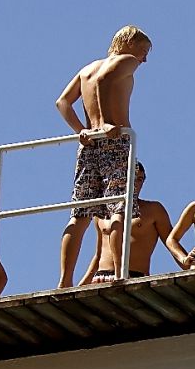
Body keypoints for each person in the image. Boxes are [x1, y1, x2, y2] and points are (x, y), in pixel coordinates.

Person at [54, 25, 153, 288]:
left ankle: (65, 280)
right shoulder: (126, 60)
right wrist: (107, 123)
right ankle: (120, 273)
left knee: (80, 214)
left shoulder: (87, 68)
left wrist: (83, 130)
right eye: (144, 50)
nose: (144, 59)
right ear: (130, 44)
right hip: (116, 140)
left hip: (89, 145)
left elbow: (62, 102)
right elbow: (104, 81)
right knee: (118, 207)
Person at [82, 162, 174, 282]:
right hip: (101, 278)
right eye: (132, 178)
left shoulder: (153, 210)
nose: (135, 183)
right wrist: (81, 286)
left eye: (140, 179)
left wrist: (190, 266)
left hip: (134, 276)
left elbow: (172, 243)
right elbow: (99, 255)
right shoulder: (101, 212)